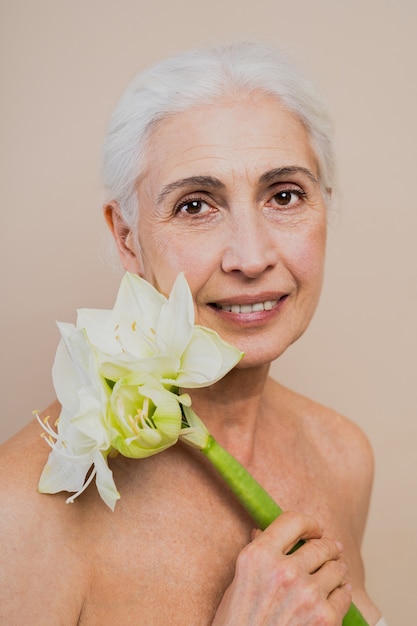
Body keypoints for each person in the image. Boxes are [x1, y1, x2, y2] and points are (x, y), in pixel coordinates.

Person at [0, 41, 385, 625]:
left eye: (284, 195)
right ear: (127, 236)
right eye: (195, 206)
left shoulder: (344, 454)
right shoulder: (27, 507)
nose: (252, 257)